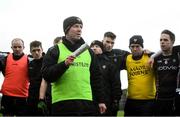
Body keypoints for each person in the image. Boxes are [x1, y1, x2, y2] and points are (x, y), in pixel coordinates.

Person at [41, 16, 106, 116]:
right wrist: (64, 64)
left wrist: (101, 100)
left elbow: (96, 78)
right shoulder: (54, 50)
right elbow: (46, 75)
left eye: (81, 27)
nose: (79, 29)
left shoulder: (89, 52)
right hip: (62, 103)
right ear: (67, 29)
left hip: (86, 102)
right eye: (76, 26)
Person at [121, 35, 156, 116]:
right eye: (132, 46)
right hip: (131, 101)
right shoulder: (127, 59)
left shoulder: (150, 57)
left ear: (142, 47)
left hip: (148, 101)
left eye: (138, 46)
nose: (135, 49)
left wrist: (152, 53)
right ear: (129, 47)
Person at [90, 40, 122, 116]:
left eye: (97, 46)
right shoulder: (87, 64)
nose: (94, 48)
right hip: (90, 102)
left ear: (102, 49)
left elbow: (116, 84)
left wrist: (115, 101)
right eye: (92, 47)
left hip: (107, 103)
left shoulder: (109, 64)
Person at [152, 29, 180, 116]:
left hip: (175, 99)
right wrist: (152, 56)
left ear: (172, 42)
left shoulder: (178, 54)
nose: (162, 42)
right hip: (159, 98)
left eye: (165, 40)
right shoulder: (155, 59)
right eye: (160, 40)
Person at [102, 31, 129, 115]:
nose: (109, 45)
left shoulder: (119, 54)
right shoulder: (95, 53)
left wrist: (146, 53)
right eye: (107, 42)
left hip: (114, 98)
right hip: (97, 97)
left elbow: (135, 57)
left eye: (112, 43)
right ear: (102, 40)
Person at [0, 38, 29, 116]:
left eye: (19, 47)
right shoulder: (5, 59)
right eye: (15, 47)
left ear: (23, 47)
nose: (17, 49)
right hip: (7, 96)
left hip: (22, 97)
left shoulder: (29, 60)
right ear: (11, 47)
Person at [27, 40, 51, 115]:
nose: (36, 53)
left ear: (42, 50)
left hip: (45, 97)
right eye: (34, 51)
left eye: (38, 50)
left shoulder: (48, 61)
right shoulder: (30, 64)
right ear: (30, 52)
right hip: (31, 97)